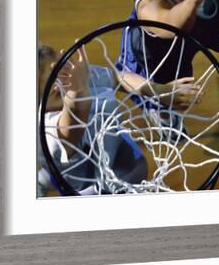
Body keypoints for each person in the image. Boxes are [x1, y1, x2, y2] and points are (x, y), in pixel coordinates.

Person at [37, 44, 200, 196]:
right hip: (88, 188)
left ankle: (43, 178)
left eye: (59, 75)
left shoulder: (72, 80)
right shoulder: (45, 131)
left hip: (108, 144)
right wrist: (77, 92)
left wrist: (161, 91)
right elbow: (70, 127)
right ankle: (44, 179)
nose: (60, 85)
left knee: (134, 165)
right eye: (53, 91)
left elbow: (117, 77)